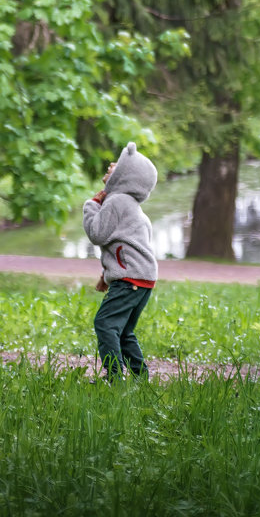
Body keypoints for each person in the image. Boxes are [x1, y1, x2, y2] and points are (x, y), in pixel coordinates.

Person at [83, 141, 158, 380]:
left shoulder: (116, 202)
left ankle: (114, 377)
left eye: (115, 168)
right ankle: (140, 376)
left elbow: (97, 234)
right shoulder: (133, 207)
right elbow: (127, 247)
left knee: (105, 323)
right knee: (124, 331)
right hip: (142, 279)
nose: (109, 168)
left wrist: (91, 205)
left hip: (130, 279)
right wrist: (108, 276)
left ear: (126, 177)